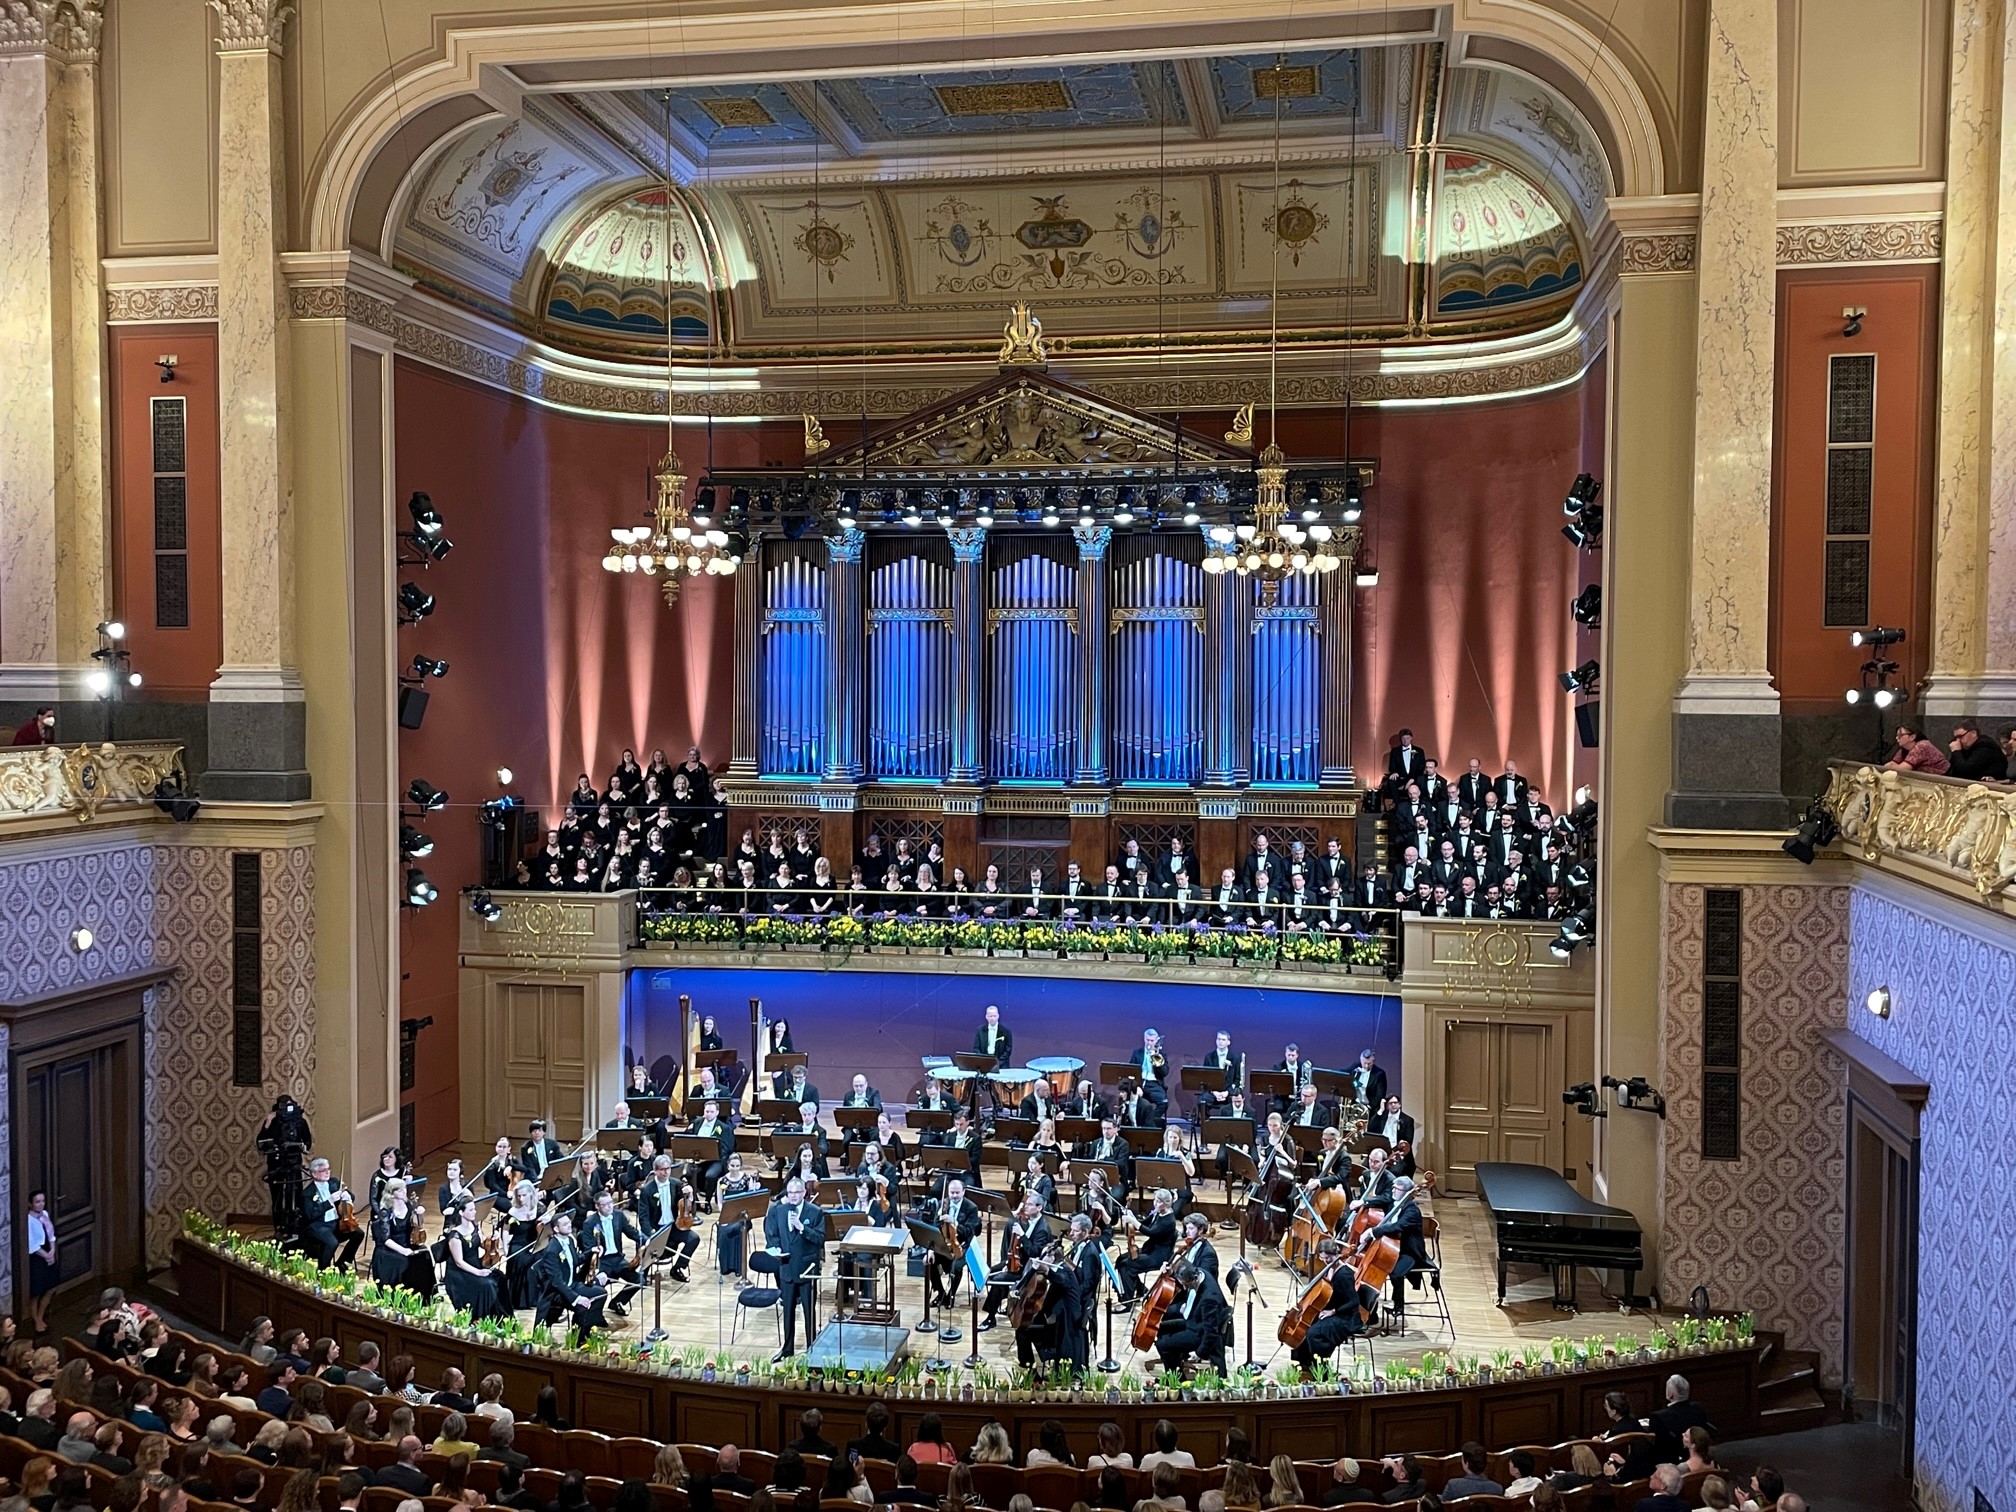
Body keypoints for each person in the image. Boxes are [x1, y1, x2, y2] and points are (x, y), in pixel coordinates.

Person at [754, 1176, 826, 1360]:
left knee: (809, 1311)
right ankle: (787, 1349)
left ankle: (812, 1347)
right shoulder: (779, 1211)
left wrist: (802, 1228)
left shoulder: (815, 1212)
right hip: (786, 1267)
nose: (793, 1196)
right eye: (790, 1192)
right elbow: (773, 1234)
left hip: (807, 1269)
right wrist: (776, 1247)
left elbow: (820, 1239)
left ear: (803, 1193)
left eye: (797, 1192)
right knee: (787, 1311)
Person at [532, 1214, 609, 1346]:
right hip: (556, 1292)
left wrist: (591, 1251)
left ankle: (585, 1331)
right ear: (556, 1229)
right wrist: (577, 1298)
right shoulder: (552, 1250)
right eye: (565, 1224)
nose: (570, 1226)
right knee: (582, 1306)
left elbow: (576, 1260)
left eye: (569, 1223)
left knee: (600, 1293)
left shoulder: (569, 1241)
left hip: (571, 1285)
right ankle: (577, 1339)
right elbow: (556, 1282)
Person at [1153, 1263, 1229, 1371]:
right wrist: (1171, 1273)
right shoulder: (1200, 1271)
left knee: (1162, 1344)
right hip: (1193, 1319)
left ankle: (1176, 1378)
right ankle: (1177, 1362)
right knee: (1159, 1328)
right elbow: (1183, 1274)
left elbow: (1211, 1332)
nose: (1184, 1287)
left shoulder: (1209, 1298)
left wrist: (1199, 1353)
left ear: (1194, 1280)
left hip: (1198, 1331)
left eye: (1186, 1285)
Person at [299, 1158, 364, 1269]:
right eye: (323, 1170)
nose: (327, 1172)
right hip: (319, 1226)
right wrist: (329, 1201)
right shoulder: (308, 1193)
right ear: (314, 1174)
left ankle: (342, 1263)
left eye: (328, 1169)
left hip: (337, 1222)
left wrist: (347, 1196)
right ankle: (323, 1269)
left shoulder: (334, 1183)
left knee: (358, 1233)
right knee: (332, 1243)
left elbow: (352, 1197)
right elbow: (310, 1215)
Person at [1648, 1374, 1712, 1460]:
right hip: (1700, 1455)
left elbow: (1657, 1446)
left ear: (1670, 1394)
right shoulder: (1698, 1408)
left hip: (1672, 1460)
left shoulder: (1659, 1417)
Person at [22, 1191, 56, 1334]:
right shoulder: (28, 1220)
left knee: (51, 1287)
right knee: (36, 1291)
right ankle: (35, 1320)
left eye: (42, 1201)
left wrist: (52, 1251)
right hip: (37, 1256)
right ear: (30, 1203)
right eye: (37, 1202)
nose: (41, 1204)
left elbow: (51, 1235)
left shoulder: (45, 1215)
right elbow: (31, 1243)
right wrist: (45, 1255)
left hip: (49, 1251)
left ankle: (41, 1316)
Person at [1885, 720, 1950, 774]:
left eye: (1900, 735)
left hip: (1946, 778)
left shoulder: (1922, 746)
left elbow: (1902, 770)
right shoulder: (1904, 748)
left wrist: (1892, 766)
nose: (1897, 738)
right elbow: (1890, 764)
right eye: (1896, 735)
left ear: (1912, 737)